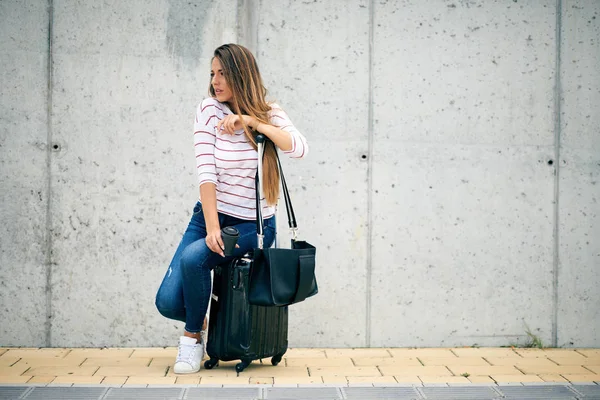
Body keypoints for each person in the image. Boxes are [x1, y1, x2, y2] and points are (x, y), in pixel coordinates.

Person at [155, 43, 308, 374]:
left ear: (241, 74)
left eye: (223, 73)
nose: (215, 81)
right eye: (212, 73)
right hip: (210, 217)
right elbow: (206, 173)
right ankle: (204, 315)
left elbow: (299, 148)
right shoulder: (208, 111)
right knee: (167, 302)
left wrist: (252, 122)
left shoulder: (270, 112)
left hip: (254, 226)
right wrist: (211, 226)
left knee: (194, 260)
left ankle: (192, 339)